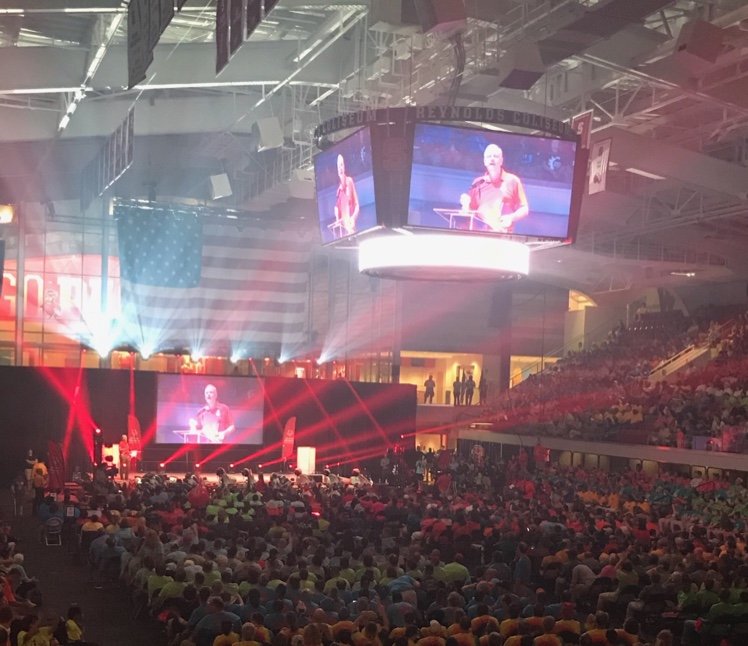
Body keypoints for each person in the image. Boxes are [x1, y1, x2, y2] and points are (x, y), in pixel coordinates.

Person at [459, 143, 529, 232]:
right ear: (484, 161)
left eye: (495, 156)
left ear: (501, 161)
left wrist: (511, 218)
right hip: (480, 234)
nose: (492, 159)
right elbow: (470, 211)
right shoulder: (477, 183)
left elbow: (524, 209)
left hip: (503, 235)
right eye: (488, 156)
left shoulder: (513, 180)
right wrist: (465, 205)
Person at [334, 154, 359, 237]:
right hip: (344, 231)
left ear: (344, 166)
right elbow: (336, 207)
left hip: (352, 227)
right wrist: (337, 220)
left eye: (341, 165)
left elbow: (357, 205)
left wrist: (353, 217)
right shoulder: (339, 190)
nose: (340, 168)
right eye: (338, 166)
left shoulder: (349, 181)